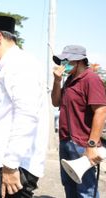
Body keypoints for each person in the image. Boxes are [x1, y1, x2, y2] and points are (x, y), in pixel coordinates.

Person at [0, 16, 49, 198]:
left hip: (15, 166)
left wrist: (10, 164)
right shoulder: (8, 66)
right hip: (7, 160)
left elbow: (26, 116)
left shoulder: (20, 65)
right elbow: (6, 116)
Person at [51, 45, 106, 198]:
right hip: (66, 141)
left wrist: (92, 145)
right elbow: (56, 102)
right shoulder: (69, 80)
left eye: (67, 60)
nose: (63, 64)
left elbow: (101, 111)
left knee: (86, 190)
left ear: (79, 61)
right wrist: (57, 82)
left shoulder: (91, 79)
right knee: (69, 186)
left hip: (83, 143)